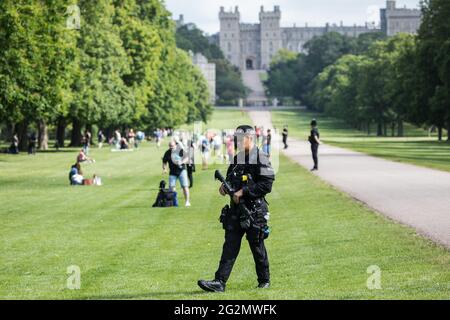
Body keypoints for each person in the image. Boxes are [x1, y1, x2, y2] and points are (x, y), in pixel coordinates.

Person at [198, 125, 275, 293]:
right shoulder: (237, 158)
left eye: (240, 139)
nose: (237, 142)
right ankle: (219, 282)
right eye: (236, 139)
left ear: (250, 138)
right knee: (230, 245)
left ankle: (264, 280)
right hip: (235, 211)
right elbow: (230, 178)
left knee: (256, 245)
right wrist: (225, 188)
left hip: (254, 211)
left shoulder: (260, 157)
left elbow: (267, 184)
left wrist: (244, 191)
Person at [162, 141, 191, 207]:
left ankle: (187, 201)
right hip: (172, 172)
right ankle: (174, 202)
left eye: (172, 146)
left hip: (181, 171)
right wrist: (164, 169)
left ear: (175, 145)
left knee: (185, 186)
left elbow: (187, 158)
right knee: (171, 188)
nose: (171, 147)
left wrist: (181, 162)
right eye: (170, 146)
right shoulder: (167, 152)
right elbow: (164, 162)